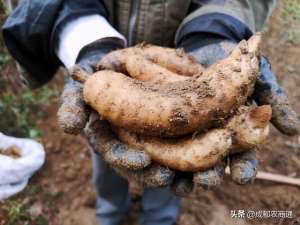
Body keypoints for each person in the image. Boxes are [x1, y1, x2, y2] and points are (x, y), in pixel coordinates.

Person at [2, 1, 298, 224]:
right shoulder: (104, 81)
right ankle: (110, 214)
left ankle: (158, 218)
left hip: (185, 52)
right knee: (108, 156)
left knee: (170, 177)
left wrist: (215, 28)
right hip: (108, 66)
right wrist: (83, 35)